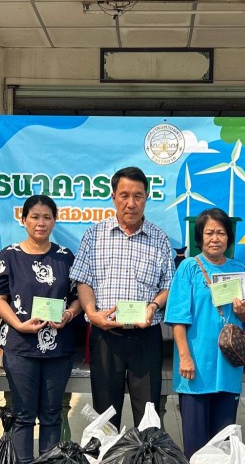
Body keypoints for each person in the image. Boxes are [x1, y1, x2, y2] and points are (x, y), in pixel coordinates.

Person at [71, 166, 175, 428]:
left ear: (147, 198)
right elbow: (83, 280)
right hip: (106, 337)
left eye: (138, 196)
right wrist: (92, 313)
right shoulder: (94, 235)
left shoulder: (159, 238)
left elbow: (169, 285)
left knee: (148, 414)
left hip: (146, 336)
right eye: (124, 195)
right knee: (105, 415)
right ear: (114, 197)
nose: (131, 203)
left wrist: (153, 305)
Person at [0, 195, 81, 464]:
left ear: (55, 220)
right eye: (35, 217)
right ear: (23, 220)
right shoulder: (9, 255)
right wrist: (17, 324)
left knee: (52, 414)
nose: (41, 223)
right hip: (20, 347)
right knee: (23, 414)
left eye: (47, 217)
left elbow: (78, 297)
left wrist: (68, 314)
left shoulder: (65, 257)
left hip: (59, 347)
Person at [165, 208, 245, 457]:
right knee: (196, 445)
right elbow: (177, 319)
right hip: (195, 368)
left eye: (221, 233)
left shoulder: (238, 269)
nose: (215, 238)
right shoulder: (189, 269)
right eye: (209, 233)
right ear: (200, 238)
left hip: (227, 367)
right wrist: (184, 357)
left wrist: (244, 311)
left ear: (229, 238)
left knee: (224, 442)